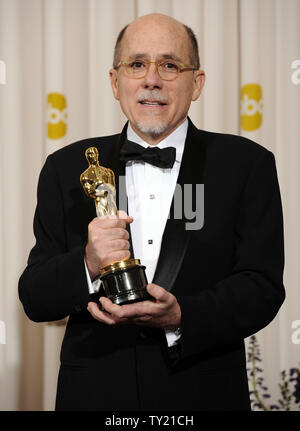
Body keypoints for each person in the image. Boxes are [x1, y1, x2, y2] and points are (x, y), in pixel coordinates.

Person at [18, 13, 285, 411]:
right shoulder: (67, 167)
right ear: (115, 81)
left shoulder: (247, 165)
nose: (152, 79)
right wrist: (88, 263)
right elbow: (36, 296)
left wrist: (182, 315)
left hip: (202, 395)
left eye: (170, 65)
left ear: (197, 83)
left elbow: (262, 288)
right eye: (137, 64)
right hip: (93, 395)